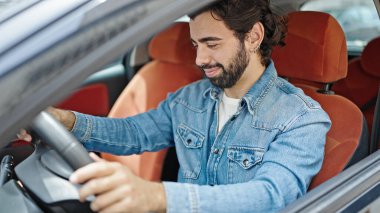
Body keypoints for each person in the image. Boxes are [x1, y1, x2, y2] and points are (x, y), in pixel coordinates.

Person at [24, 0, 331, 212]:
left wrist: (158, 196)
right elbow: (133, 133)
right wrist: (66, 122)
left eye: (212, 44)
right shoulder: (190, 98)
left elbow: (272, 197)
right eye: (196, 45)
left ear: (253, 37)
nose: (199, 60)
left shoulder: (301, 118)